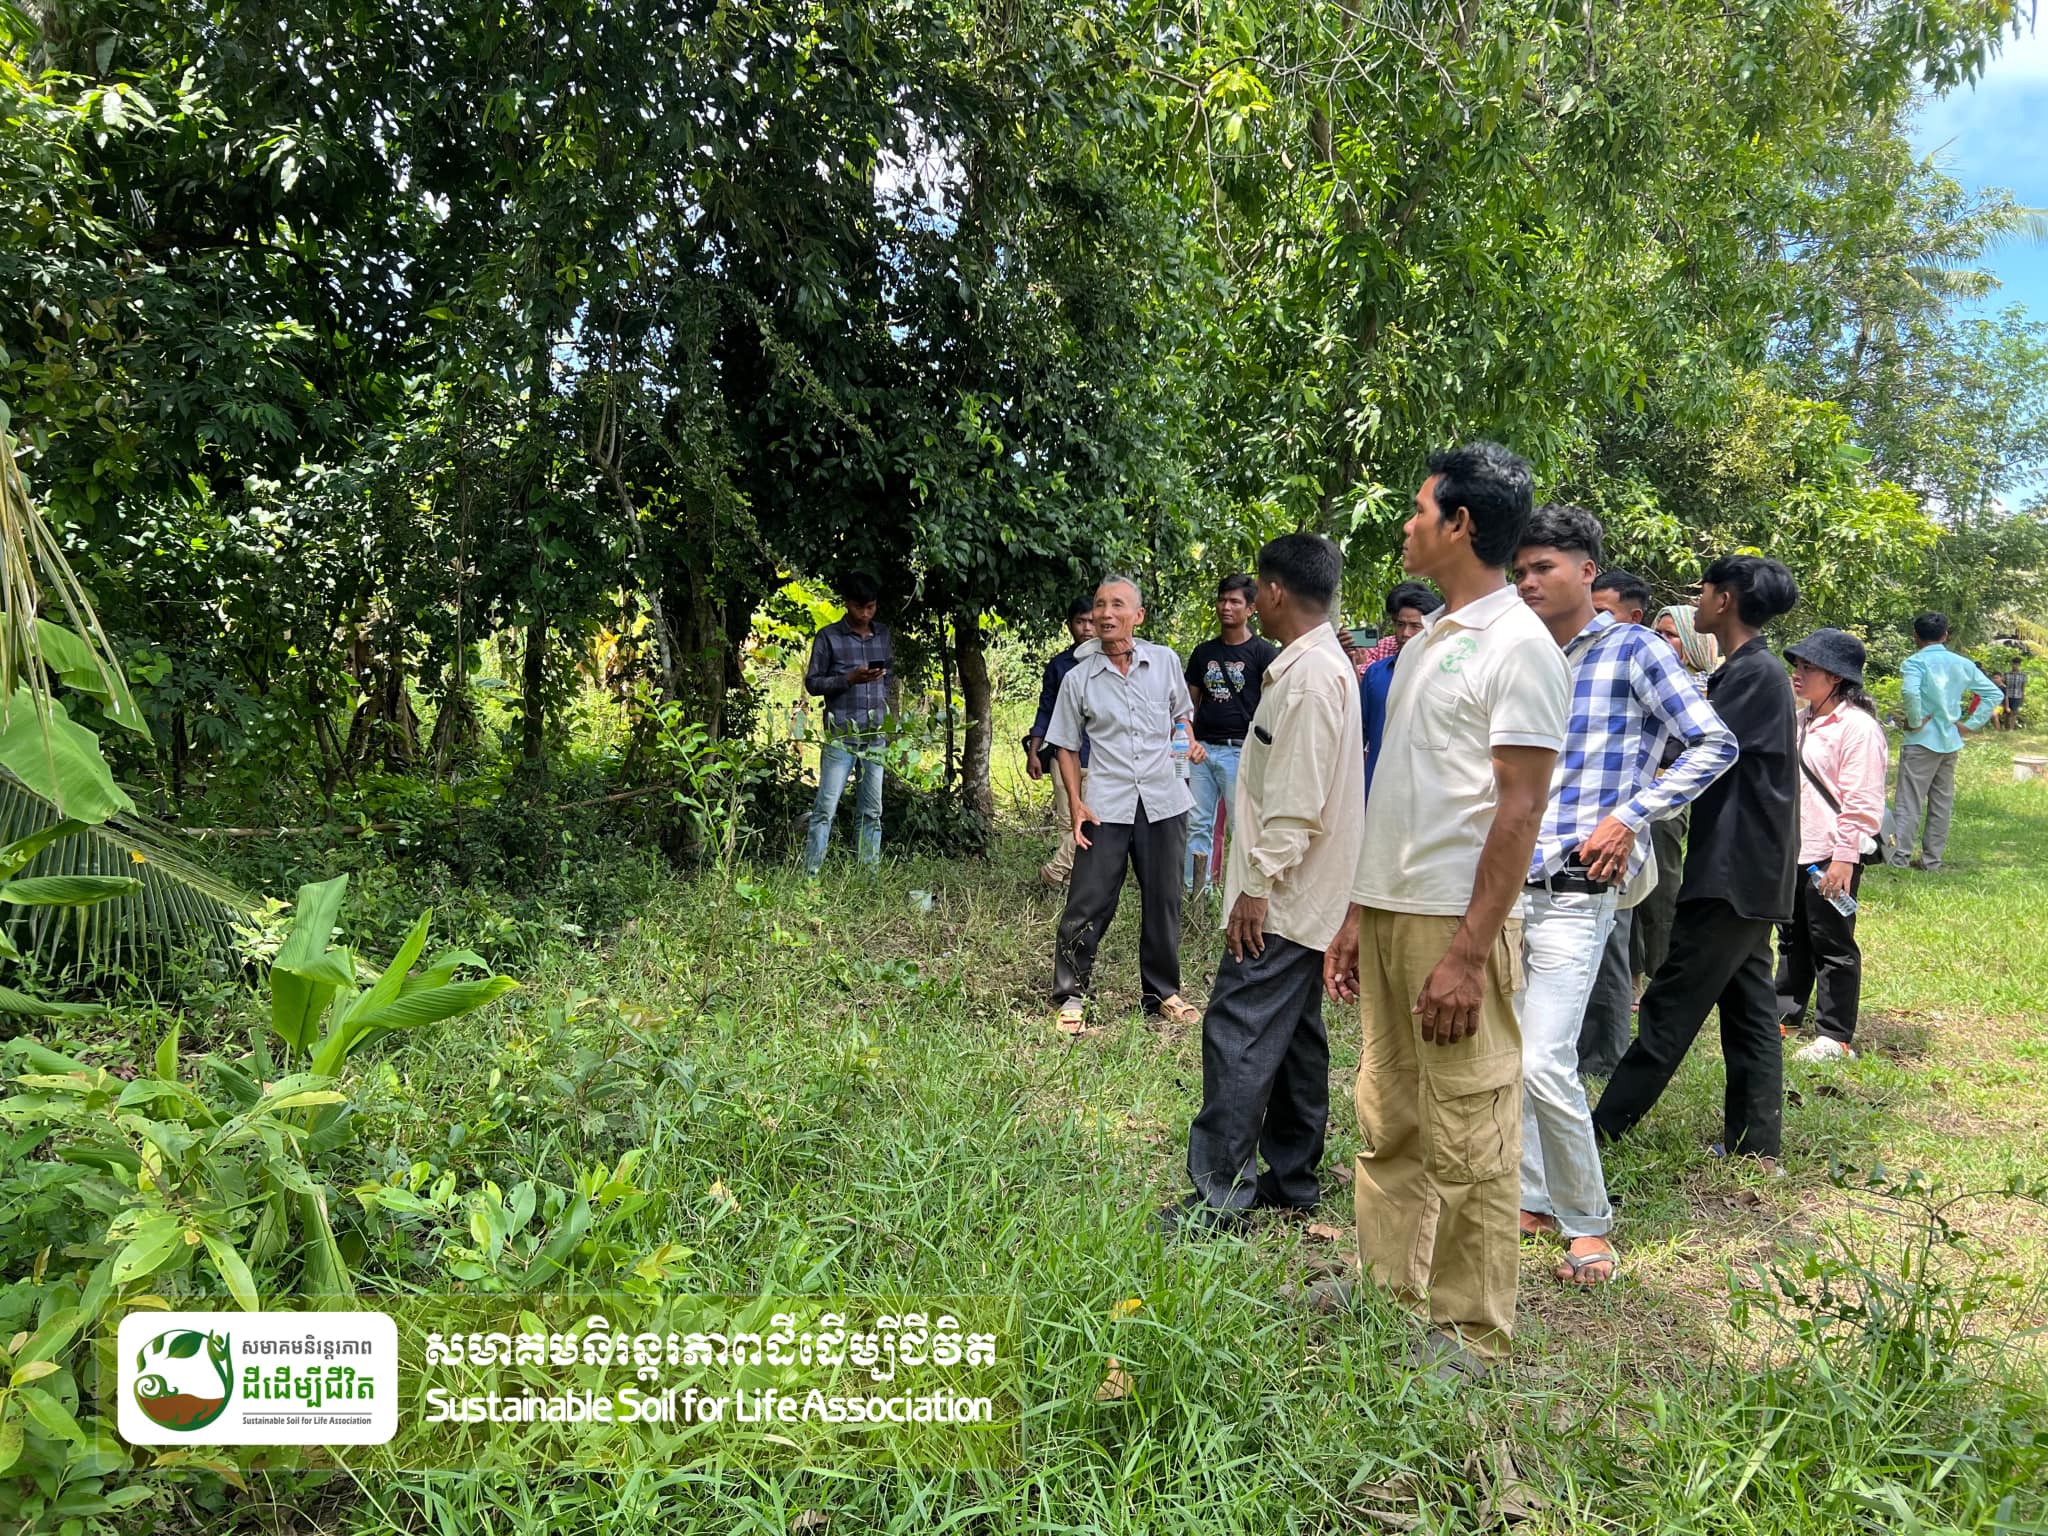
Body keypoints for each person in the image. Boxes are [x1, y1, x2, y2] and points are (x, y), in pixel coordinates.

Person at [1318, 442, 1570, 1375]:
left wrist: (1468, 953)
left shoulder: (1518, 647)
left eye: (1420, 509)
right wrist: (1358, 913)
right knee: (1389, 1111)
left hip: (1455, 923)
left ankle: (1471, 1329)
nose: (1408, 523)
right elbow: (1401, 792)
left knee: (1470, 1128)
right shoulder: (1427, 643)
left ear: (1461, 524)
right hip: (1392, 910)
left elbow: (1520, 808)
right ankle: (1387, 1283)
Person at [1511, 507, 1736, 1287]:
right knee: (1516, 1054)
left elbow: (1714, 742)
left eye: (1544, 567)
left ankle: (1587, 1223)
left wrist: (1630, 816)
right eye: (1520, 570)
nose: (1528, 581)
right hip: (1507, 883)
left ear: (1586, 572)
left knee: (1545, 1059)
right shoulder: (1521, 651)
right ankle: (1532, 1198)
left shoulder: (1633, 649)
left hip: (1579, 885)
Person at [1160, 534, 1364, 1235]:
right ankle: (1294, 1178)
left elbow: (1297, 804)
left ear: (1273, 593)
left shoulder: (1308, 678)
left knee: (1238, 1031)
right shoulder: (1314, 666)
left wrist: (1255, 886)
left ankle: (1219, 1199)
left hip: (1284, 893)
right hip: (1308, 893)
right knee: (1296, 1034)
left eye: (1255, 589)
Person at [1593, 555, 1801, 1165]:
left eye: (1704, 591)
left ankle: (1598, 1131)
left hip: (1733, 871)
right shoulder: (1748, 671)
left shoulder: (1754, 674)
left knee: (1668, 1007)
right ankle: (1755, 1145)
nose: (1697, 602)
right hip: (1749, 868)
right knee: (1749, 1005)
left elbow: (1691, 743)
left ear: (1725, 600)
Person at [1046, 577, 1205, 1034]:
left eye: (1117, 605)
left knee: (1164, 899)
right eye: (1100, 605)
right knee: (1089, 900)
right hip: (1106, 804)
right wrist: (1076, 804)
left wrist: (1188, 743)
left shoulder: (1165, 661)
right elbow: (1066, 746)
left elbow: (1181, 716)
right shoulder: (1078, 678)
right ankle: (1071, 994)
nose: (1105, 613)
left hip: (1163, 799)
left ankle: (1162, 993)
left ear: (1138, 616)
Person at [1777, 629, 1888, 1063]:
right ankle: (1784, 1016)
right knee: (1791, 938)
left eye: (1809, 668)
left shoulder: (1858, 728)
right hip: (1795, 848)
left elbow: (1862, 801)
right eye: (1797, 665)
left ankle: (1835, 1035)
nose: (1798, 674)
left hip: (1832, 851)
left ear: (1836, 677)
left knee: (1832, 942)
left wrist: (1844, 858)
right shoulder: (1800, 720)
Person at [1578, 566, 1657, 1058]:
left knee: (1610, 946)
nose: (1592, 620)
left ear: (1634, 616)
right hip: (1578, 832)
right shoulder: (1582, 656)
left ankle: (1603, 1057)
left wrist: (1629, 818)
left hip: (1616, 833)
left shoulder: (1642, 658)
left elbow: (1707, 744)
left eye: (1603, 612)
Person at [1625, 605, 1723, 999]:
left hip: (1668, 801)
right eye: (1659, 632)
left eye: (1671, 634)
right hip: (1631, 796)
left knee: (1661, 888)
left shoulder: (1708, 689)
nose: (1662, 641)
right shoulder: (1642, 677)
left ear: (1694, 643)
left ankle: (1660, 973)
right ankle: (1630, 976)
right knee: (1627, 887)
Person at [1184, 574, 1280, 899]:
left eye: (1235, 601)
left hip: (1242, 751)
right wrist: (1189, 741)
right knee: (1197, 822)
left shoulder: (1264, 653)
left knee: (1244, 826)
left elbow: (1274, 704)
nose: (1226, 606)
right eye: (1222, 600)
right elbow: (1188, 704)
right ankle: (1197, 894)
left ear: (1251, 608)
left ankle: (1242, 895)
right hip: (1202, 751)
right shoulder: (1203, 653)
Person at [1892, 612, 2003, 873]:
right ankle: (1932, 860)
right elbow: (1993, 693)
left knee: (1910, 800)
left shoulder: (1915, 662)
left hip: (1921, 740)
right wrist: (1971, 724)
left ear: (1915, 636)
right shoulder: (1961, 663)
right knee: (1942, 802)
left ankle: (1899, 857)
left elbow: (1910, 691)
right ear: (1945, 635)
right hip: (1950, 739)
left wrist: (1915, 720)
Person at [802, 573, 893, 875]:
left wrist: (880, 690)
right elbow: (813, 683)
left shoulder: (882, 635)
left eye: (871, 607)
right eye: (858, 607)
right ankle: (811, 874)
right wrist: (849, 679)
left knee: (872, 811)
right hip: (841, 735)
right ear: (846, 603)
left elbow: (889, 674)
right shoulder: (828, 637)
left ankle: (868, 874)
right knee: (825, 808)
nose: (865, 614)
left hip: (875, 735)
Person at [1025, 596, 1097, 888]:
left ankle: (1054, 871)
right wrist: (1034, 751)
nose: (1087, 628)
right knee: (1067, 820)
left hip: (1100, 756)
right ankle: (1068, 881)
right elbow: (1045, 709)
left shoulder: (1108, 661)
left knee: (1092, 819)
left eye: (1092, 621)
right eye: (1080, 621)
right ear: (1069, 625)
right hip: (1063, 753)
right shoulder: (1059, 666)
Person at [1360, 582, 1439, 807]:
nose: (1405, 633)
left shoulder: (1444, 675)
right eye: (1400, 625)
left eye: (1415, 626)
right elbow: (1359, 735)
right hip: (1376, 789)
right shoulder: (1376, 674)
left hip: (1426, 793)